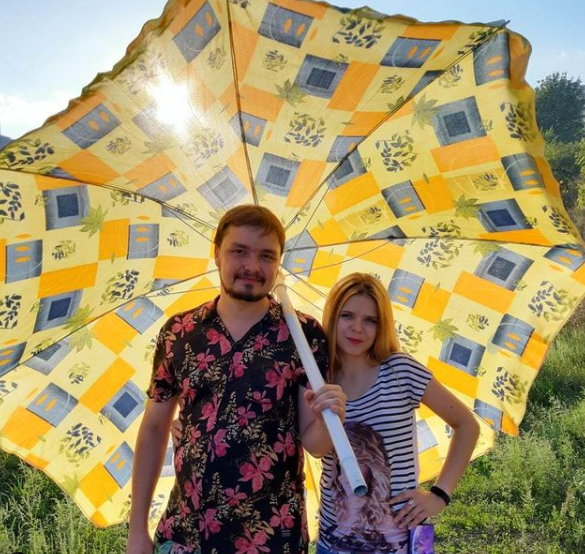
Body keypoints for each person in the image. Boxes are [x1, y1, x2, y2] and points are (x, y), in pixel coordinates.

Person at [126, 205, 346, 554]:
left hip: (273, 538)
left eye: (266, 256)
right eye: (239, 251)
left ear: (278, 263)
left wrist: (329, 418)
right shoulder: (179, 332)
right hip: (186, 535)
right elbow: (154, 428)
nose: (252, 266)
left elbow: (316, 445)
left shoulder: (304, 335)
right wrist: (137, 529)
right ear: (216, 254)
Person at [315, 273, 480, 554]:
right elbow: (315, 448)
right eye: (347, 315)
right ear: (332, 317)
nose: (357, 328)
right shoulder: (319, 380)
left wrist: (440, 494)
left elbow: (466, 425)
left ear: (382, 325)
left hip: (406, 542)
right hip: (334, 545)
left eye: (370, 320)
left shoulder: (400, 371)